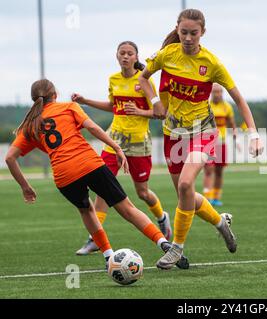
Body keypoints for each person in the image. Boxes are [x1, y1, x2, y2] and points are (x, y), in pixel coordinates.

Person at [5, 79, 188, 270]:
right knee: (127, 208)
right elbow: (92, 127)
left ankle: (109, 256)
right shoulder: (68, 107)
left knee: (87, 210)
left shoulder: (30, 125)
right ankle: (164, 244)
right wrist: (116, 147)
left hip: (64, 176)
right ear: (54, 95)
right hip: (89, 164)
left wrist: (25, 187)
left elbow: (10, 158)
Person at [138, 8, 264, 270]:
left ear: (202, 33)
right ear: (177, 29)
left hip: (203, 132)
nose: (187, 38)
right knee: (186, 197)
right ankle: (221, 223)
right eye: (183, 32)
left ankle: (177, 248)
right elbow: (143, 77)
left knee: (185, 185)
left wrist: (253, 135)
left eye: (193, 33)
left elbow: (239, 99)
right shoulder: (166, 55)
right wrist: (154, 102)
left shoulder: (212, 63)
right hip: (173, 134)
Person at [71, 41, 171, 256]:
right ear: (117, 56)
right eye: (122, 53)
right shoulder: (113, 79)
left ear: (136, 57)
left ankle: (162, 217)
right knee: (101, 189)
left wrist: (138, 111)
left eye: (129, 53)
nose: (125, 56)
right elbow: (113, 106)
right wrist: (85, 101)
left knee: (142, 193)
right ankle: (95, 239)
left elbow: (160, 113)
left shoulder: (144, 80)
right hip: (114, 139)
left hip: (138, 142)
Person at [202, 83, 238, 206]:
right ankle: (207, 198)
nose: (218, 94)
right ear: (211, 93)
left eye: (220, 91)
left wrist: (235, 137)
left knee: (219, 171)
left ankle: (216, 197)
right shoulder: (206, 106)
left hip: (221, 143)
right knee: (208, 169)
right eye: (215, 91)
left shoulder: (227, 107)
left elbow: (232, 123)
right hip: (208, 142)